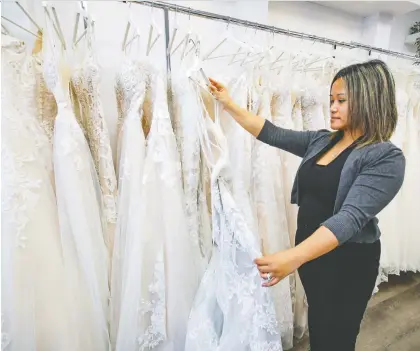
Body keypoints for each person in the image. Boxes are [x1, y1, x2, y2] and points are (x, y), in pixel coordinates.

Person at [208, 59, 405, 351]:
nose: (333, 108)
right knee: (320, 329)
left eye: (341, 100)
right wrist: (229, 103)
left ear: (368, 101)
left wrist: (293, 257)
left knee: (336, 337)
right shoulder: (323, 140)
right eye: (331, 100)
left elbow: (348, 219)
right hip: (313, 258)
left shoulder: (385, 158)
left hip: (348, 264)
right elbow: (272, 133)